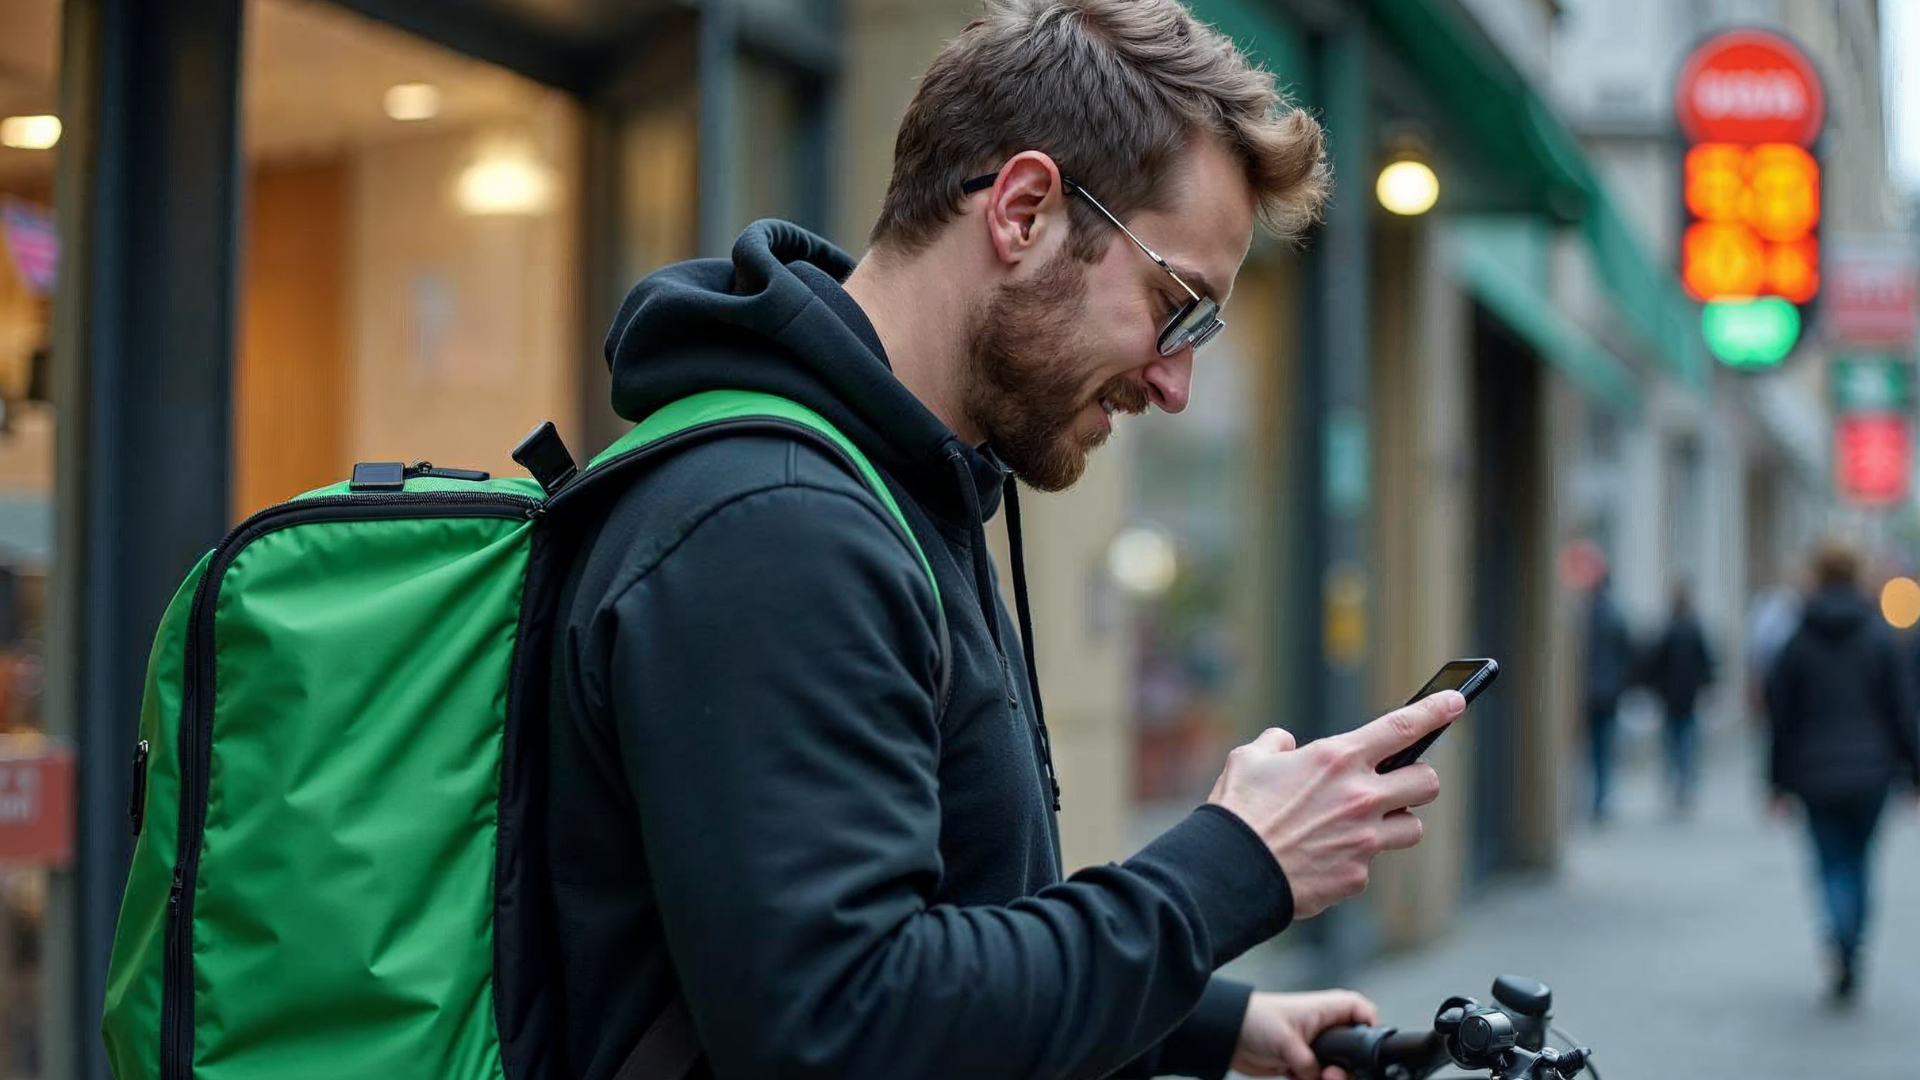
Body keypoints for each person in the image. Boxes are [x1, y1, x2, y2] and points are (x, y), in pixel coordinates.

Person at [543, 3, 1457, 1078]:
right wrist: (1233, 867)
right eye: (1178, 307)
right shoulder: (776, 525)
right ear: (1023, 210)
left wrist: (1207, 1025)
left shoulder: (892, 485)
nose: (1174, 384)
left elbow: (939, 932)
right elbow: (846, 1028)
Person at [1764, 542, 1920, 1004]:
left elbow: (1782, 719)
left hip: (1814, 772)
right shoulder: (1879, 636)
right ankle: (1851, 944)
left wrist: (1775, 781)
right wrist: (1914, 772)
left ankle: (1838, 936)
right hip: (1872, 771)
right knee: (1860, 862)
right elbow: (1902, 710)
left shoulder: (1798, 638)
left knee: (1831, 863)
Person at [1639, 581, 1716, 814]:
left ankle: (1675, 783)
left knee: (1672, 742)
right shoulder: (1694, 629)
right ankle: (1686, 784)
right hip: (1688, 696)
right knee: (1688, 742)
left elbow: (1654, 662)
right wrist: (1705, 686)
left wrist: (1654, 687)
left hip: (1670, 696)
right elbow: (1705, 663)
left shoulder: (1668, 630)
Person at [1582, 566, 1635, 823]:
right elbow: (1628, 655)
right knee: (1605, 747)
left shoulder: (1586, 616)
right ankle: (1602, 798)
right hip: (1610, 692)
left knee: (1591, 748)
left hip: (1589, 692)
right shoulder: (1615, 616)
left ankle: (1594, 798)